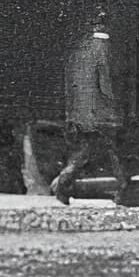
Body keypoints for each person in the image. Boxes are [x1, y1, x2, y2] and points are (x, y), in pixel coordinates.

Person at [52, 11, 131, 205]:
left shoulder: (79, 49)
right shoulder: (104, 48)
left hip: (80, 114)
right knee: (115, 151)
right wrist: (117, 104)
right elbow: (106, 83)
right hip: (101, 113)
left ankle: (63, 184)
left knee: (85, 151)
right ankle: (124, 189)